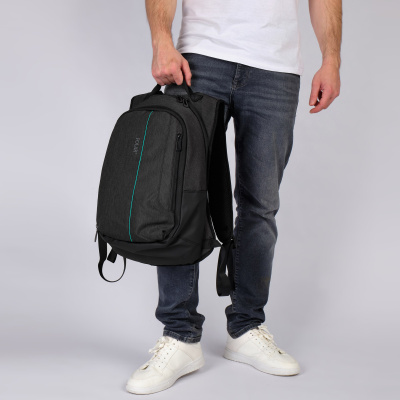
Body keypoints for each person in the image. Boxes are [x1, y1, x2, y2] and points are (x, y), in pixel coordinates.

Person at [126, 0, 342, 395]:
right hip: (200, 57)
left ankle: (246, 328)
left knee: (261, 206)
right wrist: (161, 40)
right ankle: (179, 335)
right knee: (178, 199)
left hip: (276, 68)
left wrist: (331, 59)